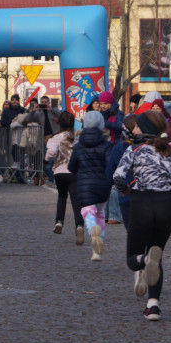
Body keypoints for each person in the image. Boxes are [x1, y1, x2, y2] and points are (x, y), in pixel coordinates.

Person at [113, 110, 171, 321]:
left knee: (134, 259)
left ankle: (146, 259)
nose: (134, 129)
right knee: (156, 257)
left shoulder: (134, 150)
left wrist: (126, 189)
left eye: (138, 126)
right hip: (165, 206)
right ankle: (153, 306)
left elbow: (118, 177)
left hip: (142, 204)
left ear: (146, 129)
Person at [67, 110, 113, 261]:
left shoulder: (79, 146)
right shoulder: (107, 145)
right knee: (100, 212)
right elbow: (110, 165)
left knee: (88, 211)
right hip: (103, 184)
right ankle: (97, 250)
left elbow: (71, 167)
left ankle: (93, 230)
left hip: (85, 184)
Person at [45, 111, 81, 237]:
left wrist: (47, 159)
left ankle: (59, 221)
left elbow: (50, 153)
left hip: (60, 171)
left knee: (62, 196)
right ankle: (79, 225)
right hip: (74, 172)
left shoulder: (56, 138)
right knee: (76, 199)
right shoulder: (77, 137)